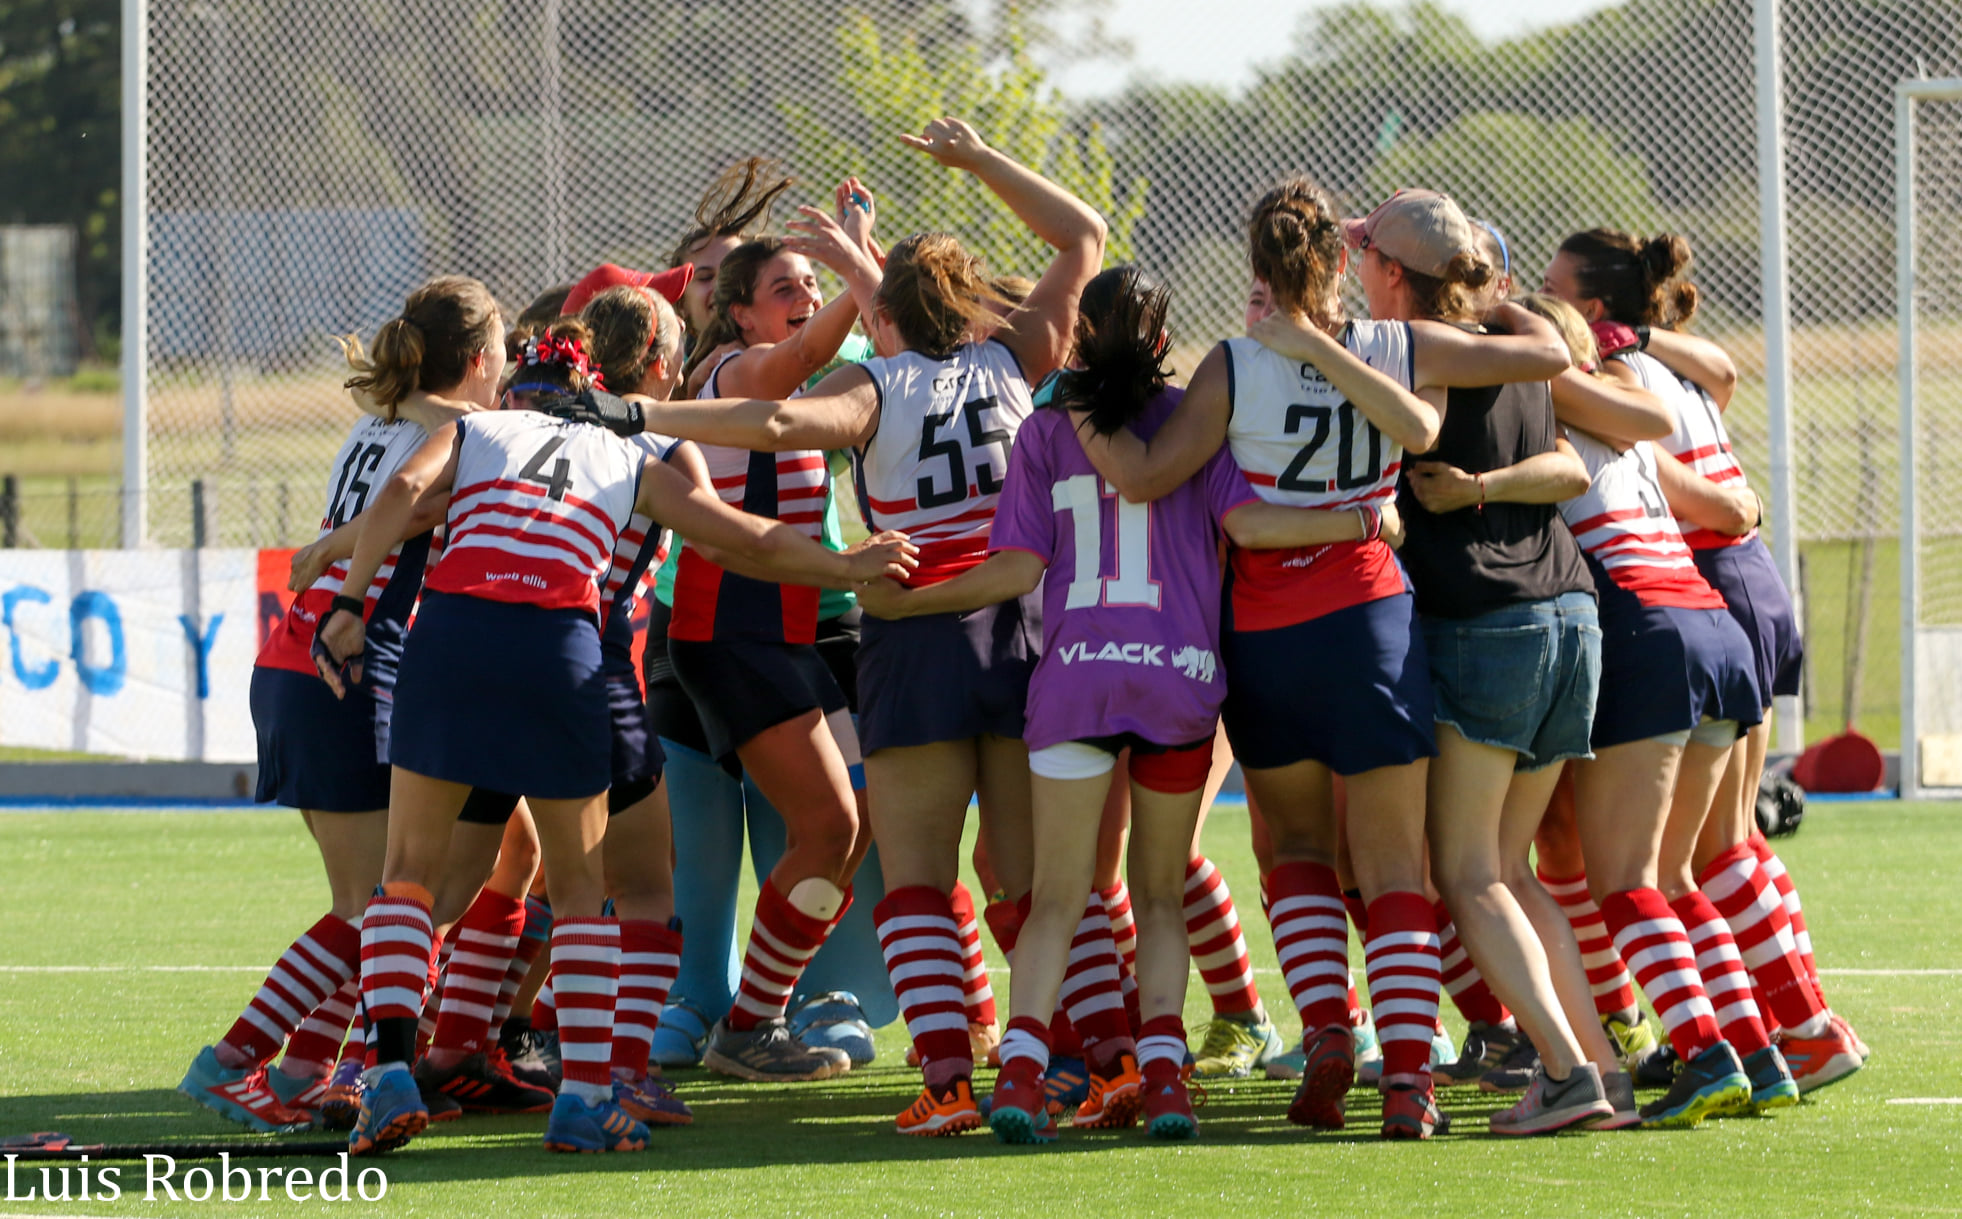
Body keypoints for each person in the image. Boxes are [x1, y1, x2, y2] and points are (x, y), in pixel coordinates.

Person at [312, 318, 915, 1155]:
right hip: (562, 650)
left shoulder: (475, 427)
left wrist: (348, 602)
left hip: (450, 640)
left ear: (520, 384)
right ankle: (586, 1097)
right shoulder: (635, 454)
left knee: (409, 873)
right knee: (583, 885)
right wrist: (846, 566)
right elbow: (735, 536)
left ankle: (385, 1073)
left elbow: (405, 498)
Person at [860, 264, 1408, 1143]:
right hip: (1180, 679)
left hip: (1074, 677)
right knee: (1157, 894)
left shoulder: (1045, 429)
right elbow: (1247, 528)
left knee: (1058, 896)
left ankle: (1024, 1080)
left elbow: (1015, 571)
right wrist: (1365, 521)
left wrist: (904, 599)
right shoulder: (1200, 418)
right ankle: (1164, 1082)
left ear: (1081, 338)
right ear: (1160, 341)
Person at [1070, 177, 1565, 1139]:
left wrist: (1077, 405)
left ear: (1256, 271)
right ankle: (1411, 1082)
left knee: (1294, 852)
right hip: (1372, 623)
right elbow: (1544, 352)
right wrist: (1468, 274)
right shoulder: (1395, 342)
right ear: (1342, 260)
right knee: (1394, 872)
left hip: (1268, 637)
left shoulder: (1233, 364)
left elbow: (1139, 477)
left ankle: (1331, 1027)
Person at [640, 116, 1108, 1136]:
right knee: (1022, 880)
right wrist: (980, 161)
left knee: (920, 880)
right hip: (1020, 631)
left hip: (908, 633)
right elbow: (1082, 240)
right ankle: (1063, 1064)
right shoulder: (1014, 360)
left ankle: (946, 1081)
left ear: (881, 314)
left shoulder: (870, 385)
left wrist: (649, 418)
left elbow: (774, 422)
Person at [177, 276, 497, 1134]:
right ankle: (231, 1060)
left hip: (299, 661)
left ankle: (308, 1069)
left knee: (375, 905)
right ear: (475, 362)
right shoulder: (456, 432)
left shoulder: (377, 421)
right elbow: (410, 510)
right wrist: (345, 576)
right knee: (377, 908)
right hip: (340, 664)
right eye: (500, 353)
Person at [1548, 229, 1865, 1092]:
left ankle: (1765, 1030)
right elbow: (1723, 378)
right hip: (1722, 593)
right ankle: (1774, 1032)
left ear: (1590, 308)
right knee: (1717, 848)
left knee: (1690, 857)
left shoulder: (1594, 383)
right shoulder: (1656, 363)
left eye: (1551, 289)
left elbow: (1694, 491)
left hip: (1689, 584)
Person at [1353, 190, 1621, 1134]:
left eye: (1366, 260)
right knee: (1513, 867)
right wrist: (1488, 486)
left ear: (1394, 273)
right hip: (1572, 617)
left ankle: (1562, 1071)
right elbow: (1568, 470)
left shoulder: (1423, 354)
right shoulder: (1517, 342)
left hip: (1485, 623)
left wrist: (1430, 497)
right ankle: (1599, 1068)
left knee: (1466, 874)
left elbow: (1411, 446)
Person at [659, 180, 894, 1082]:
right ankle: (739, 1020)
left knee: (863, 818)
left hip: (799, 635)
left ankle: (762, 1010)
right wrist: (852, 268)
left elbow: (877, 354)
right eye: (785, 289)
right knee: (821, 823)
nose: (801, 301)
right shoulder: (733, 378)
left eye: (807, 284)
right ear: (743, 318)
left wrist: (864, 264)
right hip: (730, 635)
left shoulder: (795, 382)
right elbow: (806, 358)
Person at [1522, 291, 1772, 1127]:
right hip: (1715, 630)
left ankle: (1703, 1052)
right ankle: (1755, 1049)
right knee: (1674, 875)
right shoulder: (1629, 432)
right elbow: (1725, 509)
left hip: (1649, 632)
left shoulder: (1546, 427)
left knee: (1624, 881)